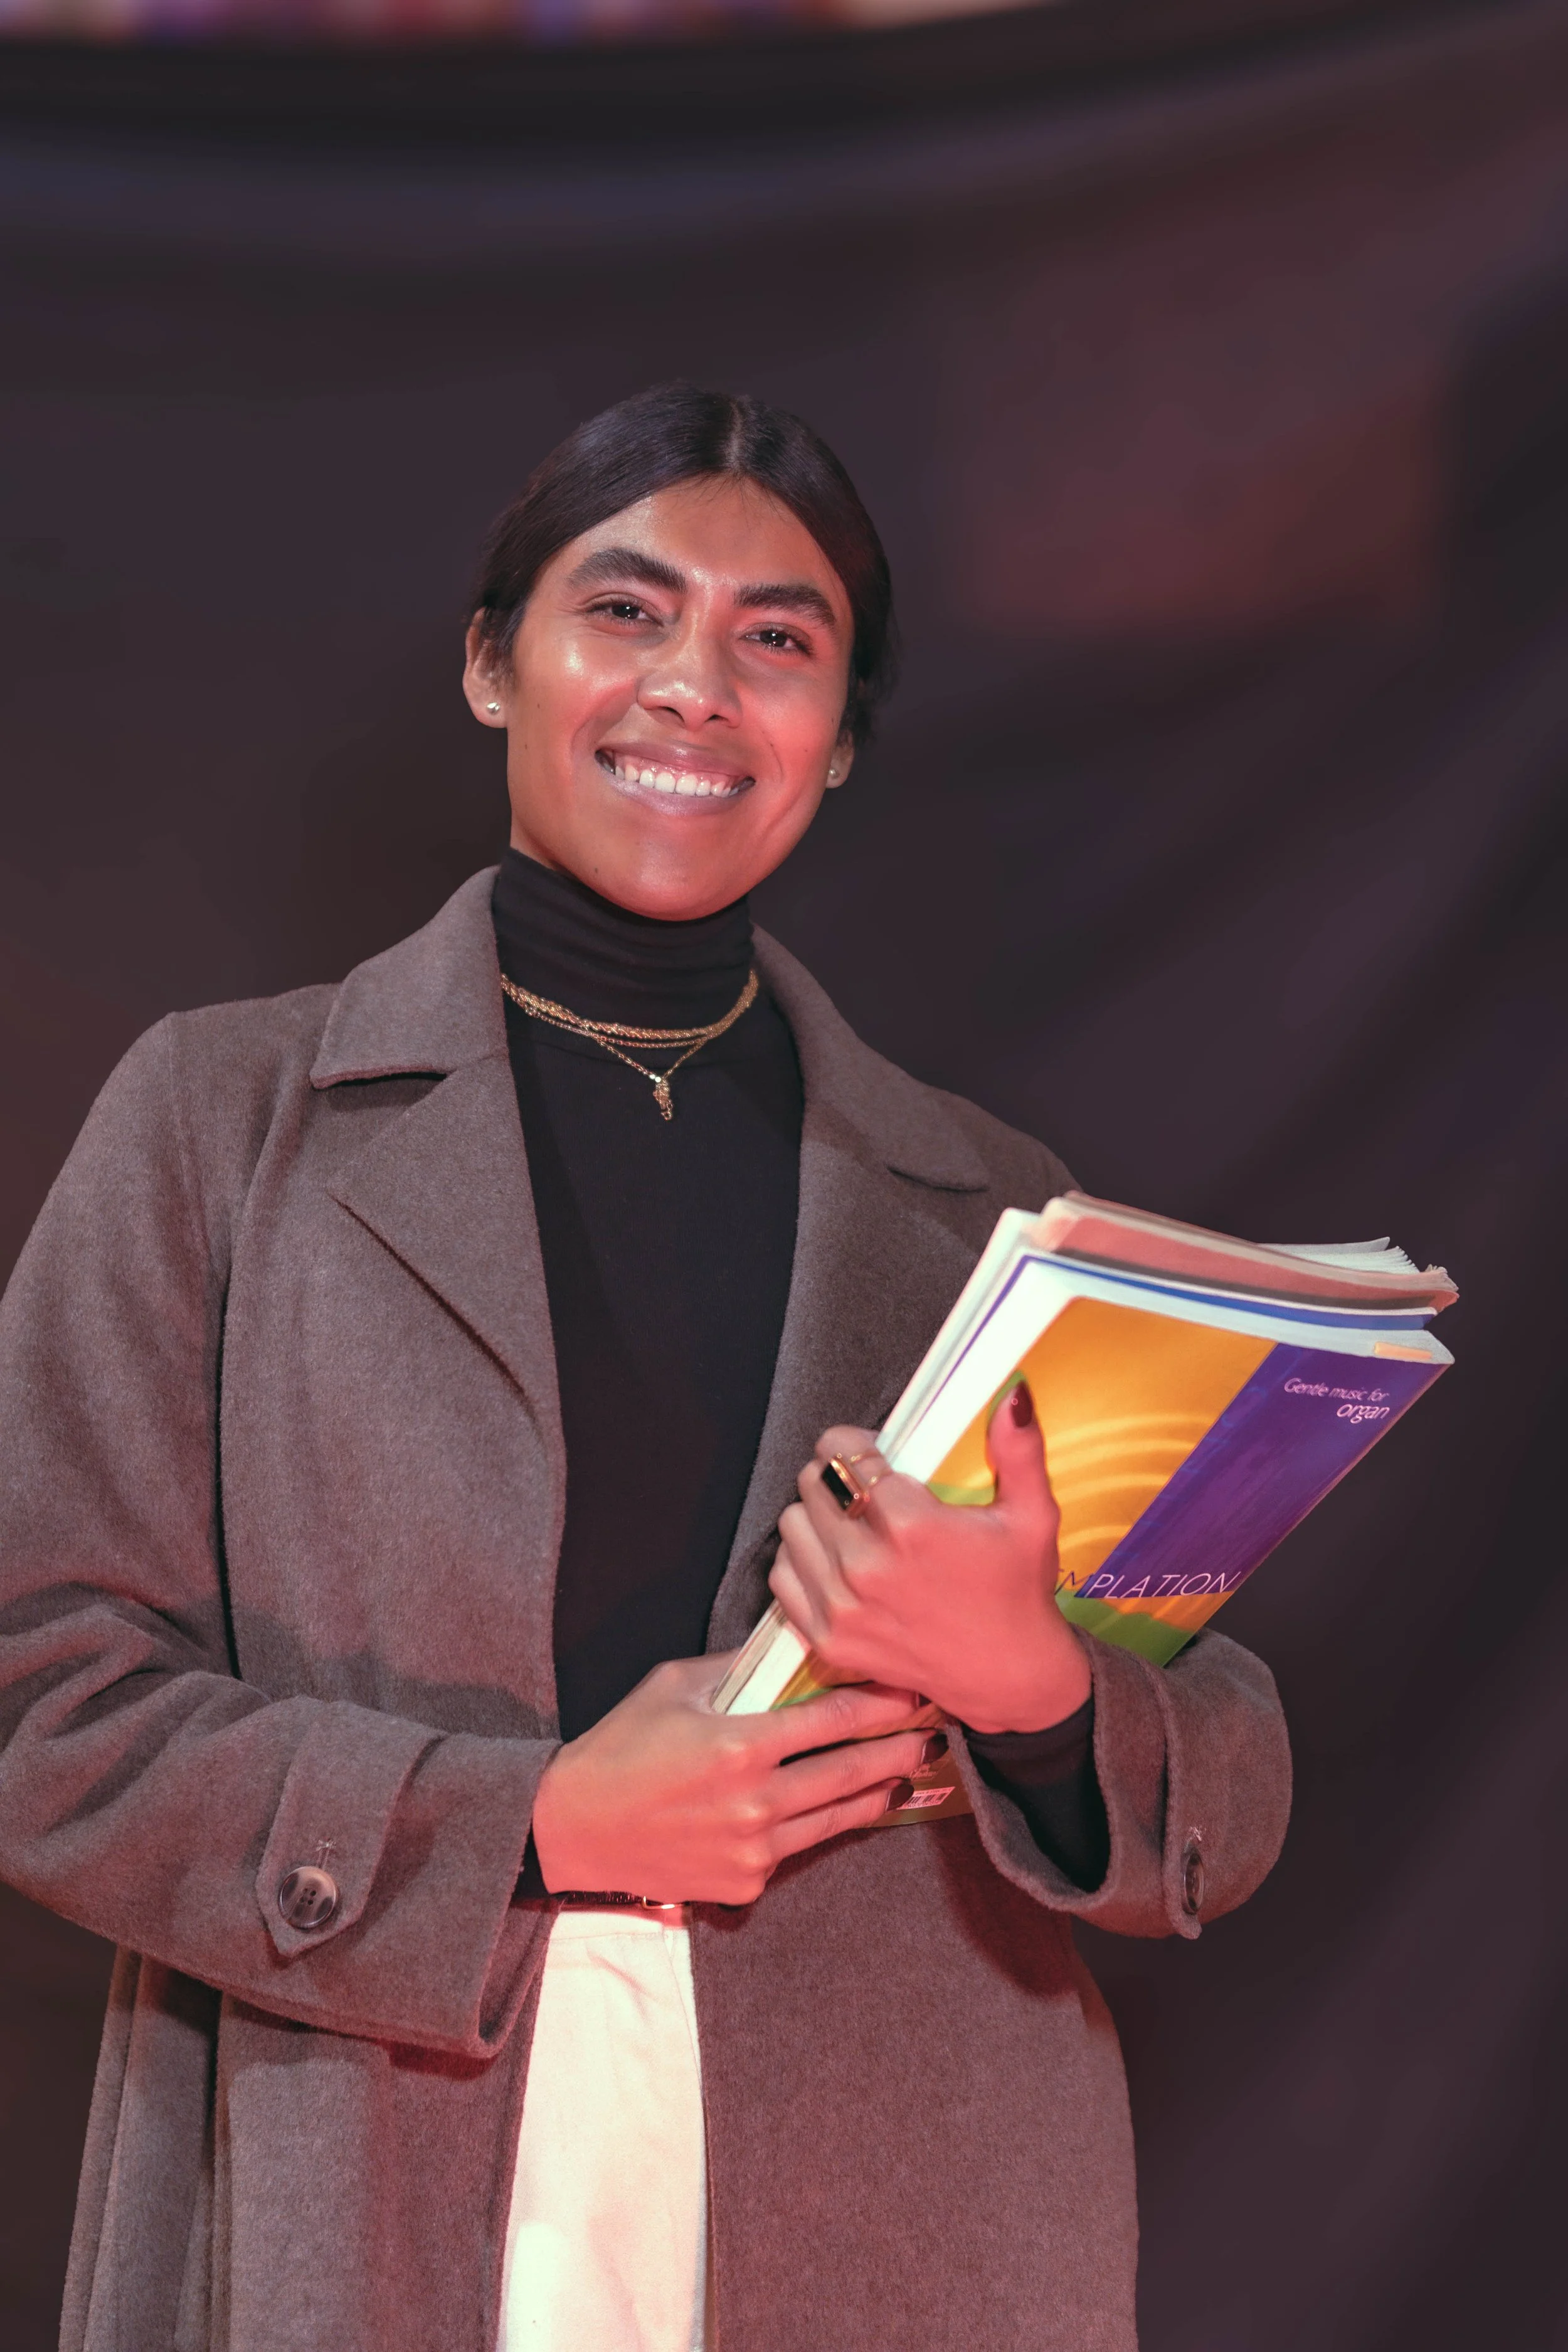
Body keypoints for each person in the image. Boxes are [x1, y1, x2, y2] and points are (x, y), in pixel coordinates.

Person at [0, 383, 1290, 2352]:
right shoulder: (219, 1122)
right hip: (375, 2144)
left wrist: (1033, 1689)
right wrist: (529, 1823)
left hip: (912, 2201)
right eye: (624, 610)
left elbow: (1223, 1771)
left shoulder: (992, 1211)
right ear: (490, 666)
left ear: (836, 740)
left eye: (778, 639)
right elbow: (38, 1699)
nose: (695, 683)